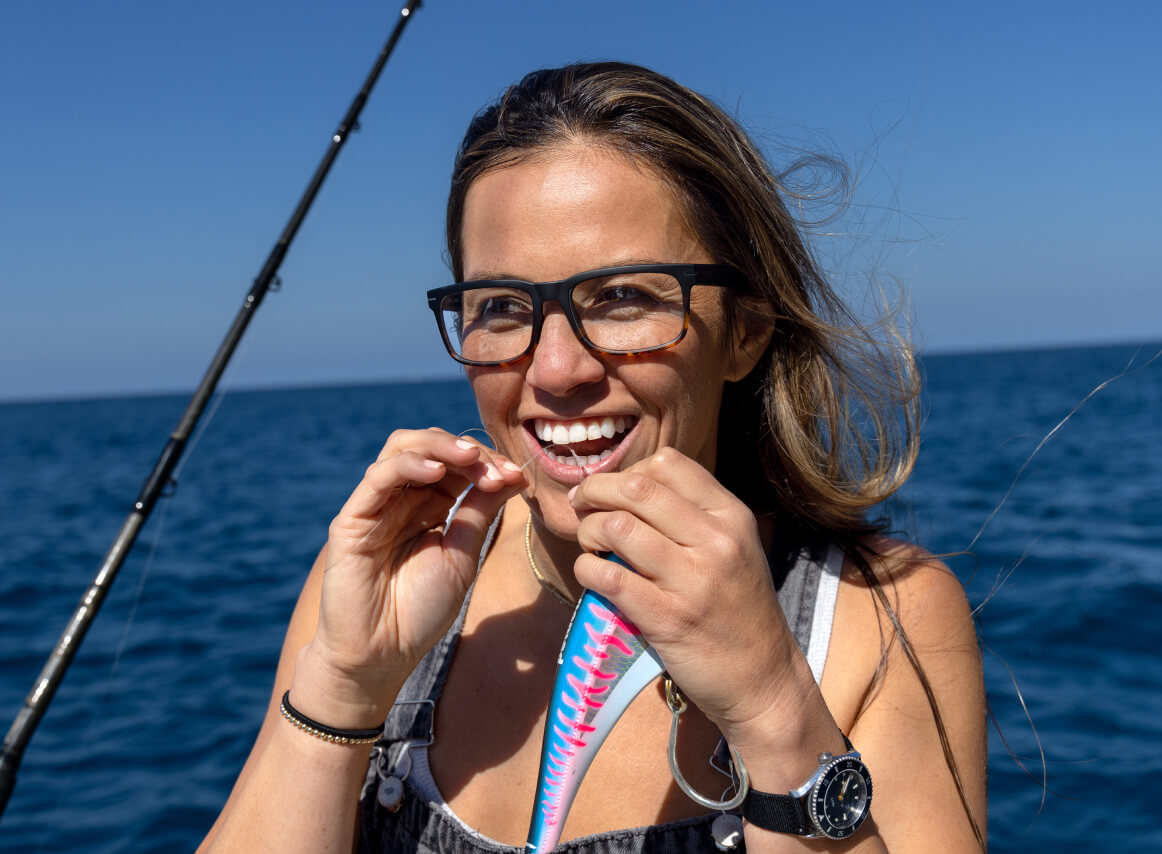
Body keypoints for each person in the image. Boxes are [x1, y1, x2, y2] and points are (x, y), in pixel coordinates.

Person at [199, 62, 986, 853]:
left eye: (623, 298)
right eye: (502, 308)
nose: (556, 371)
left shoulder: (885, 619)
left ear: (745, 331)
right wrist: (343, 686)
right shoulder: (391, 580)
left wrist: (774, 708)